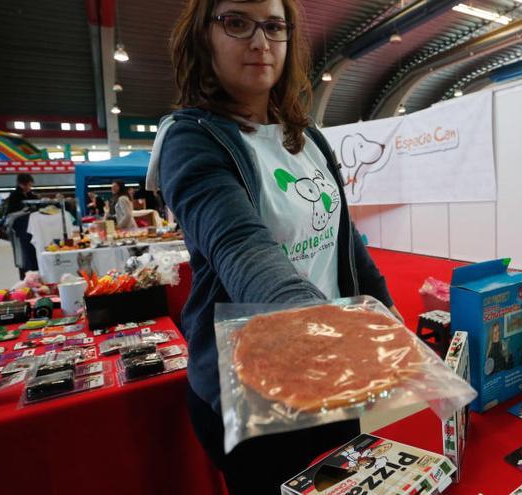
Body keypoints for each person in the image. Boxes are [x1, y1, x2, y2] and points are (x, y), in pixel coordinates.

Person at [154, 0, 400, 491]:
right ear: (204, 36)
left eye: (273, 26)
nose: (260, 41)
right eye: (237, 23)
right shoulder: (190, 141)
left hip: (329, 375)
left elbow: (343, 239)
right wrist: (324, 326)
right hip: (252, 398)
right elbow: (242, 248)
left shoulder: (307, 137)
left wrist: (387, 314)